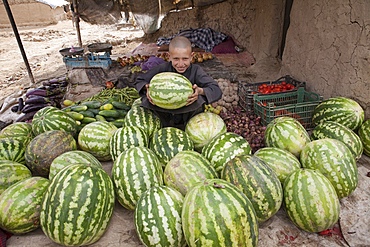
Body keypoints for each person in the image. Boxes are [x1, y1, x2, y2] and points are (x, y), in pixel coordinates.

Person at [134, 36, 222, 129]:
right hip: (164, 113)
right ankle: (160, 127)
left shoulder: (196, 71)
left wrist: (200, 91)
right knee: (146, 101)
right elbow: (140, 80)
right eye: (176, 59)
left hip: (187, 114)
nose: (180, 64)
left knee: (199, 100)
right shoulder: (162, 68)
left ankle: (188, 128)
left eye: (185, 59)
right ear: (169, 57)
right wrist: (147, 87)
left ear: (191, 57)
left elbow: (216, 90)